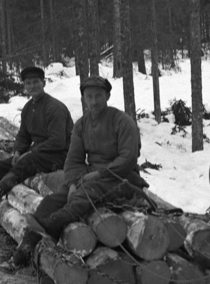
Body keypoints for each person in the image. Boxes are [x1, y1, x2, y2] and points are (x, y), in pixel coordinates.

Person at [10, 75, 146, 269]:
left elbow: (128, 158)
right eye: (89, 97)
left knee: (86, 193)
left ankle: (55, 225)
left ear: (107, 96)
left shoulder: (123, 121)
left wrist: (97, 175)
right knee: (52, 201)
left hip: (122, 178)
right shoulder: (82, 124)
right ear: (83, 99)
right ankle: (24, 250)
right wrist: (73, 183)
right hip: (89, 177)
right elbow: (73, 160)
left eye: (98, 96)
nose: (94, 101)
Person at [0, 65, 74, 210]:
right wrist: (18, 151)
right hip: (38, 154)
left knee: (28, 161)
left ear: (44, 83)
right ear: (24, 86)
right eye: (28, 83)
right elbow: (23, 135)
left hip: (59, 155)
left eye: (36, 82)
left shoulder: (54, 107)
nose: (32, 86)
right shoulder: (28, 108)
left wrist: (30, 153)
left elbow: (58, 141)